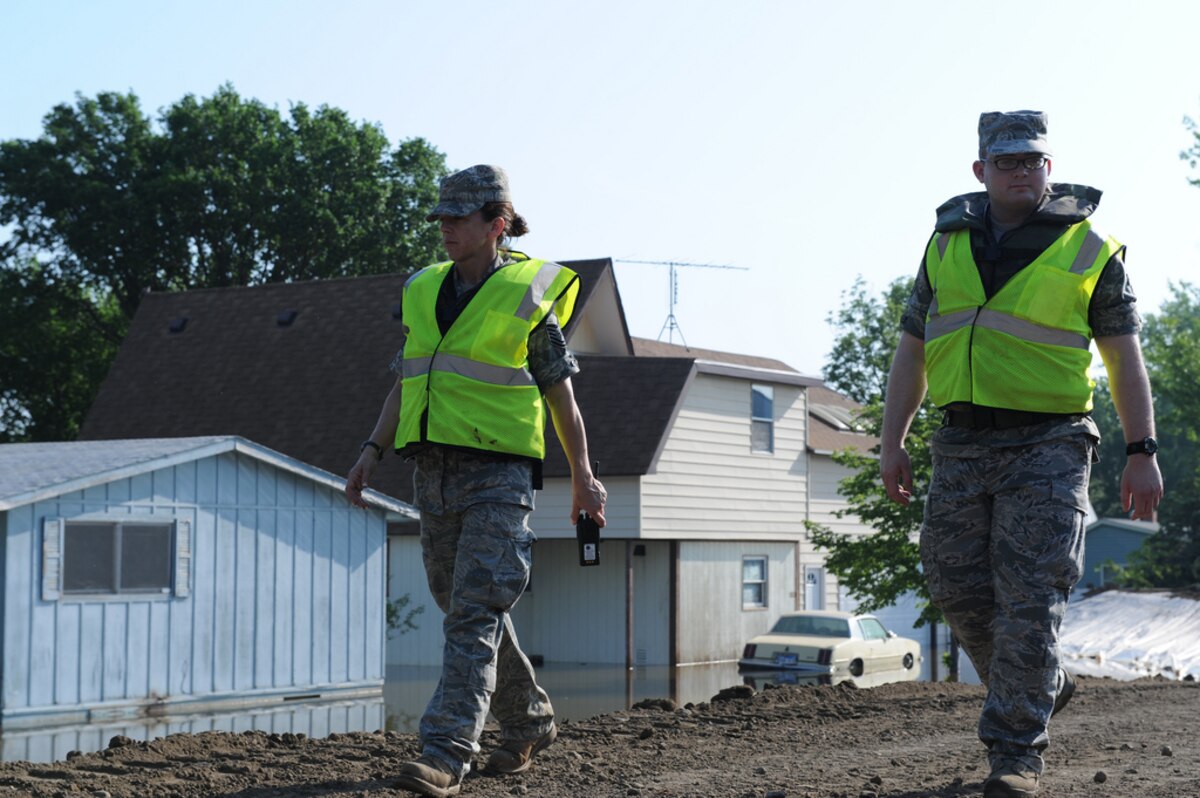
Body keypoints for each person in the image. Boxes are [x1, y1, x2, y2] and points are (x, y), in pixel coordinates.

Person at [878, 111, 1163, 798]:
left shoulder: (1090, 248)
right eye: (1005, 161)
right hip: (962, 441)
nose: (1019, 171)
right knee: (953, 583)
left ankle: (1014, 756)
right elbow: (913, 350)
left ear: (1049, 167)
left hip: (1052, 443)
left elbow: (1125, 358)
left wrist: (1141, 448)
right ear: (981, 170)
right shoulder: (946, 243)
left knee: (1031, 599)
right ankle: (1044, 683)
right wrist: (892, 440)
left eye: (1032, 160)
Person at [345, 164, 607, 797]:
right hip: (432, 476)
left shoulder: (525, 296)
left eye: (458, 218)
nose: (445, 229)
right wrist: (370, 449)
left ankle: (446, 751)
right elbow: (408, 382)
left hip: (499, 477)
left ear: (497, 224)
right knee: (464, 607)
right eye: (440, 218)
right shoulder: (422, 291)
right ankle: (530, 721)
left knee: (473, 615)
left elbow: (561, 400)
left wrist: (584, 480)